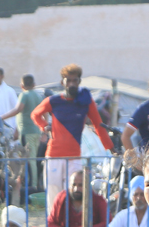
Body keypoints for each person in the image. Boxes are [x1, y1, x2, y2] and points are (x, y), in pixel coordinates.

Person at [31, 63, 114, 206]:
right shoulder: (54, 101)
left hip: (74, 157)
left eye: (75, 80)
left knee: (74, 195)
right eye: (68, 80)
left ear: (79, 81)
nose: (72, 84)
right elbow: (35, 114)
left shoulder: (85, 102)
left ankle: (73, 220)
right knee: (53, 195)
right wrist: (44, 126)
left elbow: (99, 125)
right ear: (62, 82)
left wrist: (111, 148)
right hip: (53, 156)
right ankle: (53, 220)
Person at [0, 75, 45, 187]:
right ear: (34, 84)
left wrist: (1, 117)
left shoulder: (24, 95)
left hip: (27, 131)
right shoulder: (38, 96)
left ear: (21, 85)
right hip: (35, 131)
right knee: (29, 157)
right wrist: (43, 129)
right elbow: (45, 112)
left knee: (30, 159)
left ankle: (33, 185)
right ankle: (29, 182)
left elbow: (18, 110)